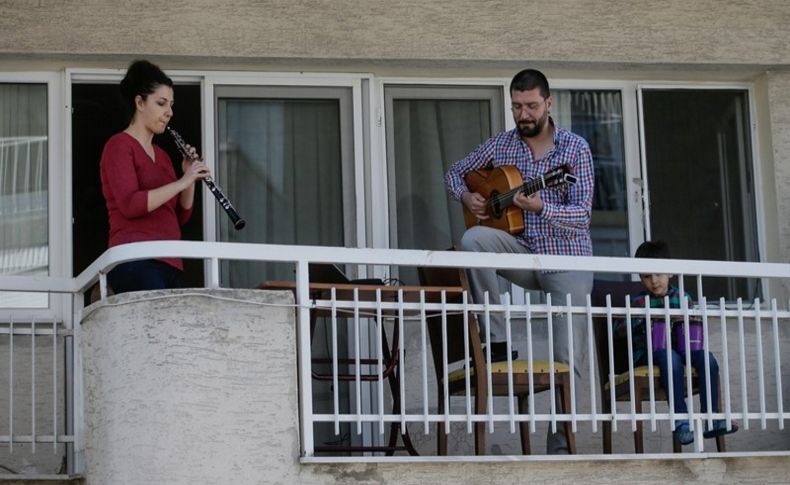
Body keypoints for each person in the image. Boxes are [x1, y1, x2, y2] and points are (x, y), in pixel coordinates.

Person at [444, 68, 594, 454]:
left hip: (567, 258)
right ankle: (495, 339)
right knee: (473, 238)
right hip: (522, 250)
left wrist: (541, 206)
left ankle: (560, 448)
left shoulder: (574, 149)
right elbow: (454, 173)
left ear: (548, 103)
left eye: (530, 106)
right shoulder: (503, 144)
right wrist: (467, 197)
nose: (523, 114)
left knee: (566, 359)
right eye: (516, 106)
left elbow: (583, 214)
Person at [100, 60, 210, 293]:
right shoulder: (119, 145)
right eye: (161, 103)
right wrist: (182, 182)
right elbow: (131, 204)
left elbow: (180, 216)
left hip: (169, 260)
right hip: (135, 258)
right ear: (139, 102)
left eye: (171, 105)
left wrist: (188, 178)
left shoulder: (162, 156)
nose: (169, 112)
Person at [613, 240, 738, 445]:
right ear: (640, 278)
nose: (654, 281)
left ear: (671, 272)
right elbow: (616, 330)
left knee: (707, 358)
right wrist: (637, 319)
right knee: (670, 357)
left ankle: (712, 418)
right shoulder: (637, 302)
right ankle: (681, 421)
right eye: (646, 276)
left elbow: (693, 326)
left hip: (682, 349)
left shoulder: (683, 297)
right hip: (649, 353)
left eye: (659, 274)